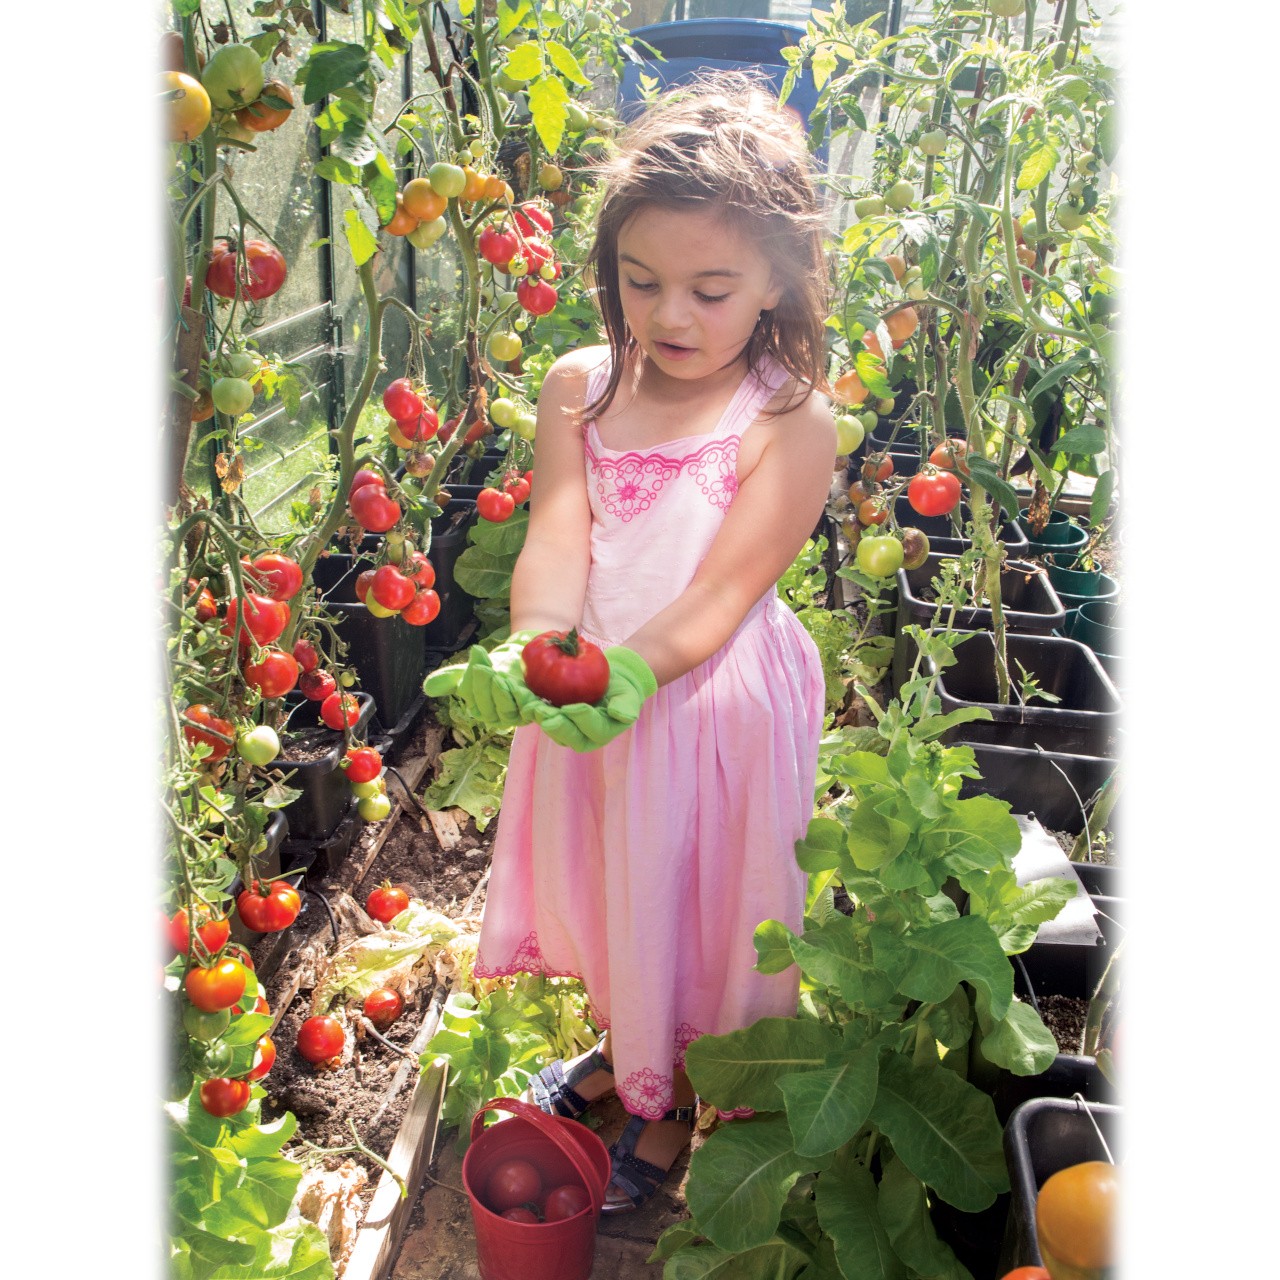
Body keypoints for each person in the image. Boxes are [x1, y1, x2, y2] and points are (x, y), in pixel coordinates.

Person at [426, 72, 836, 1213]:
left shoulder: (788, 420)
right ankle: (629, 1051)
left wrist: (630, 671)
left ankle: (687, 1094)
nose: (669, 316)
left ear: (776, 281)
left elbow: (724, 591)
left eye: (711, 290)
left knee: (706, 897)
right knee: (623, 884)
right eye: (640, 280)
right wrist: (535, 647)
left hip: (711, 703)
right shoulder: (581, 387)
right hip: (593, 694)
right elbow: (559, 536)